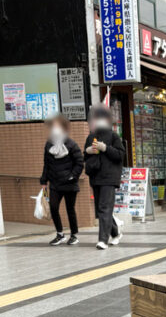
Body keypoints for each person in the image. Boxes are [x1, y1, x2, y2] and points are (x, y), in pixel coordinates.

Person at [83, 104, 125, 250]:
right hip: (95, 177)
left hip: (109, 178)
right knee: (101, 209)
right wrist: (88, 151)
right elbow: (85, 157)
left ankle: (103, 240)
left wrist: (105, 148)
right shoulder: (90, 137)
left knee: (104, 207)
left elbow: (120, 155)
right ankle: (115, 230)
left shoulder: (114, 136)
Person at [40, 114, 84, 246]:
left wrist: (72, 176)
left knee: (70, 209)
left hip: (69, 183)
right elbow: (46, 164)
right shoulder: (48, 145)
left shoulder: (71, 144)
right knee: (53, 207)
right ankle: (60, 234)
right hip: (55, 183)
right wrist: (43, 181)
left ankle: (74, 235)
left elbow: (80, 162)